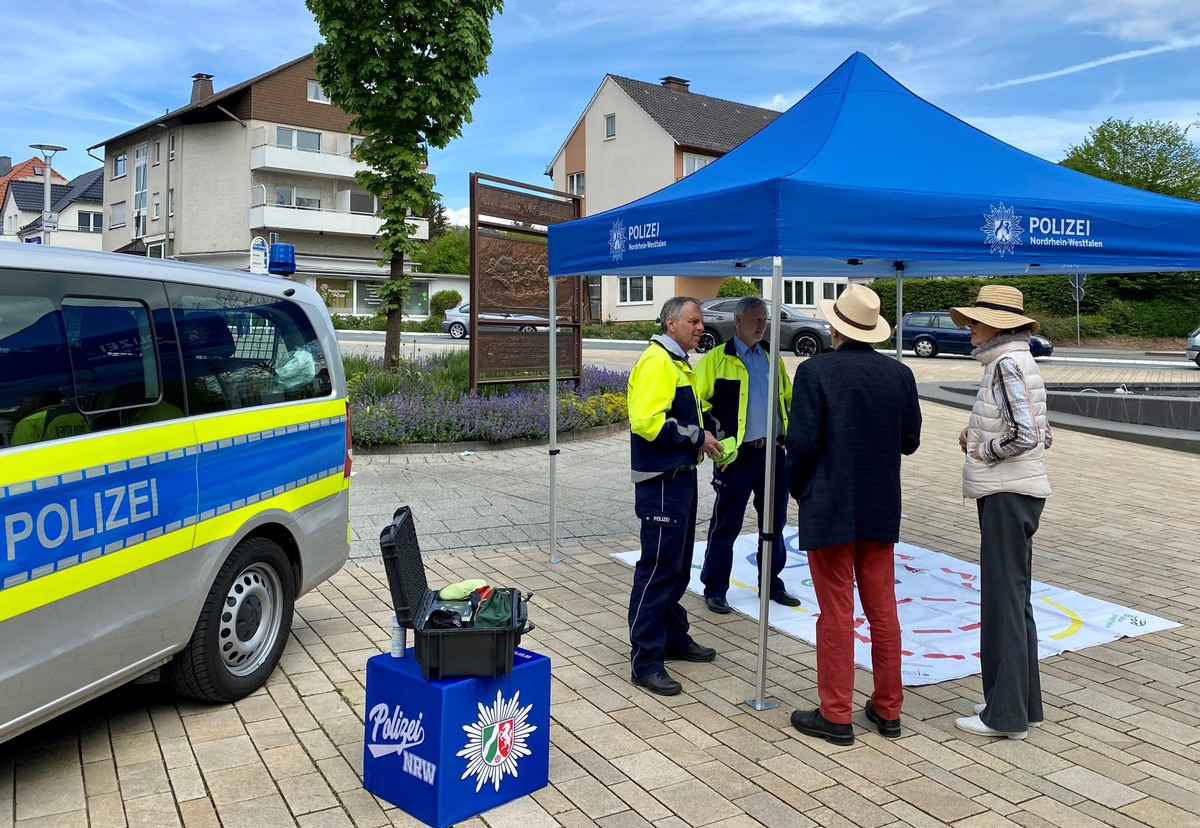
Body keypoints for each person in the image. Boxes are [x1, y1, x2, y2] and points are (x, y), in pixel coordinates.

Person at [785, 284, 922, 746]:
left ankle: (836, 714)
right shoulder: (899, 375)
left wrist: (795, 487)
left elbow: (801, 443)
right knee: (883, 609)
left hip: (829, 503)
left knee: (837, 612)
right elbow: (910, 440)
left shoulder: (814, 371)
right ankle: (888, 709)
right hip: (879, 502)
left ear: (834, 326)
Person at [949, 285, 1052, 740]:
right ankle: (1018, 702)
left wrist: (982, 448)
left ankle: (1005, 714)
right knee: (1015, 598)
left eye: (974, 320)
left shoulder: (1006, 364)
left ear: (997, 324)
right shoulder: (1017, 360)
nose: (969, 327)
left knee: (1003, 601)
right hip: (1019, 490)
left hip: (1008, 491)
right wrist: (980, 436)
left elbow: (1027, 435)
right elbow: (1043, 435)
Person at [626, 296, 724, 696]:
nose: (701, 327)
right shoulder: (656, 362)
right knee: (658, 569)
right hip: (662, 482)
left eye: (701, 321)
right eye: (694, 321)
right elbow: (647, 422)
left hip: (681, 478)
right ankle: (645, 661)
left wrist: (710, 434)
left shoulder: (679, 361)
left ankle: (672, 637)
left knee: (679, 566)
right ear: (671, 324)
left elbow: (689, 416)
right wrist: (697, 436)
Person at [694, 296, 801, 614]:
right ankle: (715, 587)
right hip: (735, 456)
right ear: (737, 321)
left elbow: (788, 399)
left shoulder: (771, 356)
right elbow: (698, 405)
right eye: (756, 319)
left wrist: (791, 437)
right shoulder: (715, 360)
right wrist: (719, 445)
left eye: (764, 319)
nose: (762, 324)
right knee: (727, 523)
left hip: (772, 452)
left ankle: (771, 583)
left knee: (775, 522)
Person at [10, 390, 90, 446]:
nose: (19, 408)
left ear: (34, 403)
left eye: (22, 404)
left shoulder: (28, 422)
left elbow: (18, 454)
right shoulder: (78, 415)